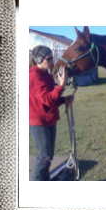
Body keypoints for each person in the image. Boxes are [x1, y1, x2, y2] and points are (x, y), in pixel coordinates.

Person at [29, 45, 72, 181]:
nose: (52, 60)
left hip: (48, 119)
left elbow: (52, 99)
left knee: (48, 156)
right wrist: (61, 85)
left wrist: (64, 100)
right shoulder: (34, 76)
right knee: (44, 157)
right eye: (48, 58)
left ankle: (45, 181)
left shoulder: (46, 75)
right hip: (39, 121)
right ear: (40, 60)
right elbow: (47, 99)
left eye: (52, 57)